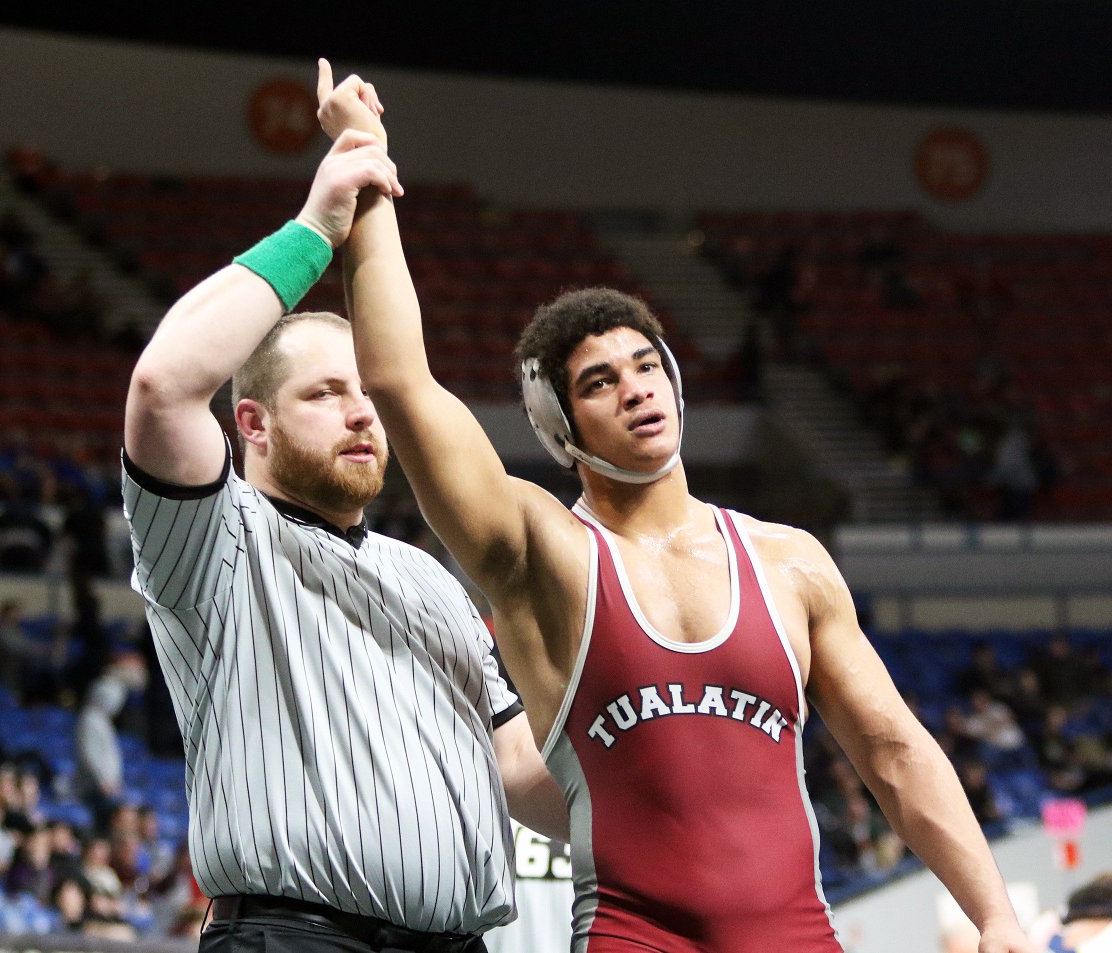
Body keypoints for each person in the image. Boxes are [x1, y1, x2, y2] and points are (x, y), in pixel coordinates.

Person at [319, 61, 1032, 953]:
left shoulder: (790, 559)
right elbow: (400, 383)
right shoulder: (544, 553)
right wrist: (367, 172)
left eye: (648, 366)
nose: (637, 390)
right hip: (632, 937)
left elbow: (893, 750)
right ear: (560, 424)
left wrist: (994, 912)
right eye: (600, 382)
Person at [121, 118, 566, 953]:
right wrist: (317, 231)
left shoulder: (430, 575)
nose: (364, 410)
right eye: (326, 392)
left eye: (367, 391)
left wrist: (662, 811)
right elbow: (162, 386)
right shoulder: (218, 541)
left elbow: (515, 767)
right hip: (296, 938)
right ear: (251, 422)